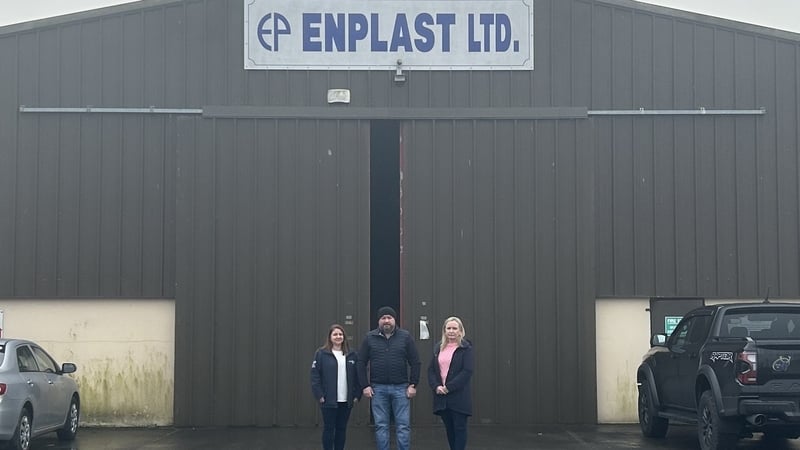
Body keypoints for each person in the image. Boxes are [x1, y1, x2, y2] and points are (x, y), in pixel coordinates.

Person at [357, 306, 421, 450]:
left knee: (403, 426)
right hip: (377, 389)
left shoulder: (405, 337)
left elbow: (415, 362)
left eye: (389, 318)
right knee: (381, 426)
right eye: (383, 318)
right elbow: (361, 362)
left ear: (394, 320)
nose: (386, 321)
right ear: (378, 321)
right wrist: (364, 386)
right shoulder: (369, 338)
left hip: (401, 388)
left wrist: (413, 384)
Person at [310, 324, 361, 450]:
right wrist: (319, 395)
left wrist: (357, 395)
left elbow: (359, 376)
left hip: (345, 400)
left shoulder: (352, 354)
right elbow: (315, 376)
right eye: (335, 334)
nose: (338, 337)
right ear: (330, 337)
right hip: (328, 400)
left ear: (344, 337)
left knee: (341, 429)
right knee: (329, 429)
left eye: (340, 334)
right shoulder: (321, 354)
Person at [427, 316, 474, 450]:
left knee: (459, 429)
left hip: (458, 396)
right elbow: (431, 370)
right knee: (449, 429)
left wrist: (449, 387)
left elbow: (467, 371)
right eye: (449, 328)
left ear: (460, 331)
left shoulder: (466, 348)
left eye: (454, 328)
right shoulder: (438, 348)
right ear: (444, 330)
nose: (451, 331)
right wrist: (436, 386)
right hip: (442, 397)